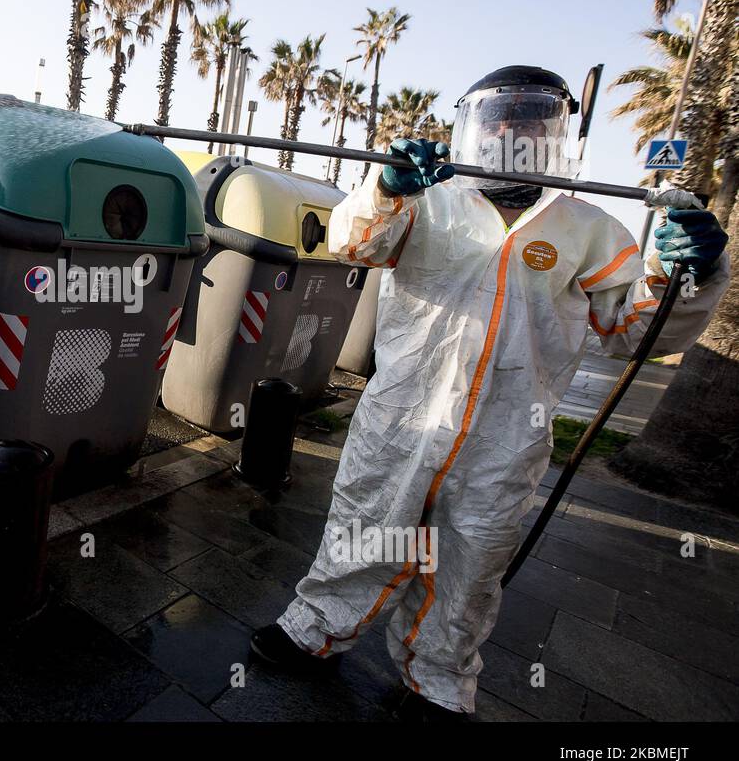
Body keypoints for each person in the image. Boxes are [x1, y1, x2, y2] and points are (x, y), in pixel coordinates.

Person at [249, 65, 730, 719]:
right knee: (364, 528)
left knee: (470, 565)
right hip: (402, 421)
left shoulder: (589, 229)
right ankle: (316, 628)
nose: (511, 130)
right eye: (499, 116)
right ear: (472, 124)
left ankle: (439, 681)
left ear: (554, 133)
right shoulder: (428, 202)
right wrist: (385, 187)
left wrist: (695, 276)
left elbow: (633, 335)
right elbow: (353, 243)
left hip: (506, 440)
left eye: (529, 119)